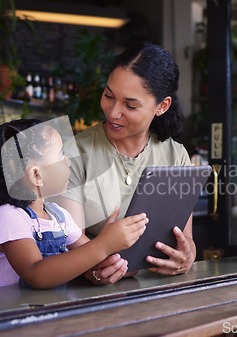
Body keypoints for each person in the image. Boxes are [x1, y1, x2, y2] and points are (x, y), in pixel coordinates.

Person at [55, 42, 196, 282]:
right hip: (88, 299)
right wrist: (95, 267)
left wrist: (186, 257)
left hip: (158, 294)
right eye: (109, 95)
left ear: (162, 106)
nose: (112, 112)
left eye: (130, 105)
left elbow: (185, 239)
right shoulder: (71, 154)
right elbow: (69, 245)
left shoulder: (176, 156)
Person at [0, 118, 147, 289]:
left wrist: (117, 259)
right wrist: (103, 244)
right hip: (12, 314)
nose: (68, 161)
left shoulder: (58, 216)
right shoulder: (9, 217)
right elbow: (36, 274)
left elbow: (92, 259)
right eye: (61, 154)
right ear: (36, 176)